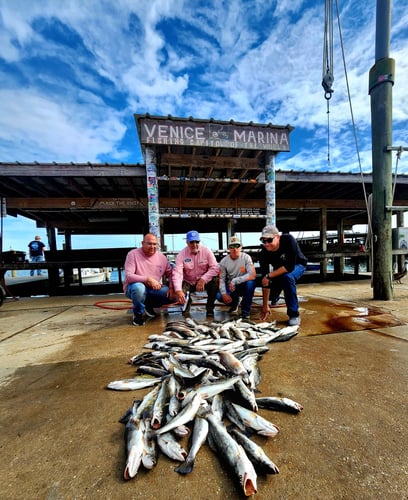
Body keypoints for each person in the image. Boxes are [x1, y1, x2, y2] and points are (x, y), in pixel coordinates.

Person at [259, 225, 307, 326]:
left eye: (269, 240)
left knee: (287, 277)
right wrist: (265, 305)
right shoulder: (264, 253)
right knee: (271, 296)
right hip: (279, 269)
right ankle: (275, 297)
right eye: (264, 241)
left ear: (278, 237)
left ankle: (294, 314)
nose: (267, 244)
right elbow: (265, 279)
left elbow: (289, 267)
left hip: (297, 265)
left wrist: (269, 275)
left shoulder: (288, 240)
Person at [123, 233, 174, 326]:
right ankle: (138, 315)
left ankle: (148, 305)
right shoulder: (132, 254)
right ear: (142, 243)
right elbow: (128, 276)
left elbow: (171, 274)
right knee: (139, 288)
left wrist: (171, 287)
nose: (152, 246)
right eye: (149, 244)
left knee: (173, 295)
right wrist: (147, 279)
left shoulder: (162, 258)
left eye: (155, 244)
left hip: (152, 289)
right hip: (134, 287)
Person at [172, 230, 219, 316]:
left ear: (199, 241)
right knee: (179, 292)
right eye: (192, 242)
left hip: (204, 281)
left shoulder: (207, 251)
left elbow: (215, 268)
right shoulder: (181, 255)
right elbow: (177, 273)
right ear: (187, 242)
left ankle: (210, 308)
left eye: (197, 242)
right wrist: (178, 290)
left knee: (215, 281)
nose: (194, 244)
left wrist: (203, 279)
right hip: (189, 281)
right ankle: (186, 306)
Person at [216, 235, 256, 319]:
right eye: (232, 246)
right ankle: (235, 303)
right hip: (232, 287)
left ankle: (245, 312)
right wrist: (224, 294)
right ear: (228, 248)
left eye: (237, 246)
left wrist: (235, 281)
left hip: (242, 284)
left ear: (241, 247)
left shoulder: (246, 257)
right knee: (219, 296)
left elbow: (252, 274)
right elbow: (221, 279)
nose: (235, 249)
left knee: (250, 283)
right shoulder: (223, 262)